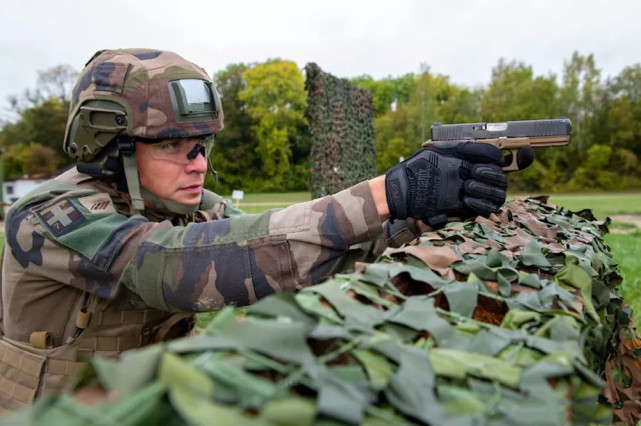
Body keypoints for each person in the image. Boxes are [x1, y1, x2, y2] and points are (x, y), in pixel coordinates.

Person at [0, 48, 511, 412]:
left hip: (140, 404)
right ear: (111, 146)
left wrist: (408, 219)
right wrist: (383, 193)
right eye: (174, 146)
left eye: (202, 145)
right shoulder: (49, 217)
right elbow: (174, 267)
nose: (198, 164)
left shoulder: (189, 208)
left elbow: (290, 256)